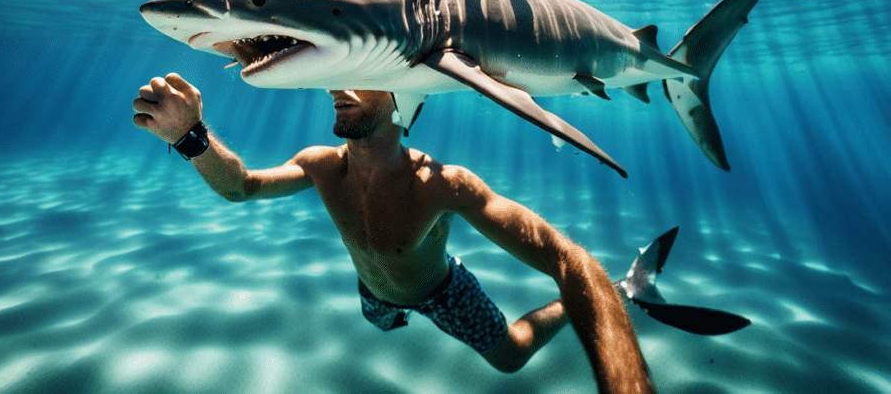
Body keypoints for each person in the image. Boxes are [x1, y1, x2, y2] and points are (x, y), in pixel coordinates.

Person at [133, 73, 655, 393]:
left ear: (405, 99)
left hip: (442, 292)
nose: (338, 86)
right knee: (384, 318)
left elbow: (568, 260)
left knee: (512, 357)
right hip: (374, 295)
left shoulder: (443, 185)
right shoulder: (321, 166)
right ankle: (393, 311)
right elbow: (242, 188)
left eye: (362, 74)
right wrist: (190, 137)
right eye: (337, 73)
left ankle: (602, 298)